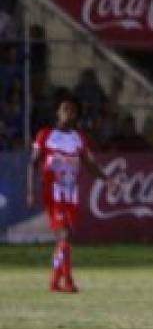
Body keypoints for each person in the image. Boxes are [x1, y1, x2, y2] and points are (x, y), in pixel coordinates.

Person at [26, 94, 106, 292]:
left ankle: (55, 282)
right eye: (65, 109)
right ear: (58, 112)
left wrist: (106, 179)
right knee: (65, 235)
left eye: (72, 110)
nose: (68, 113)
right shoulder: (45, 134)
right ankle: (68, 282)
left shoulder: (79, 138)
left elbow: (90, 164)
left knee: (64, 239)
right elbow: (33, 163)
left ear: (76, 115)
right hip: (53, 193)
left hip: (71, 194)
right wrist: (30, 190)